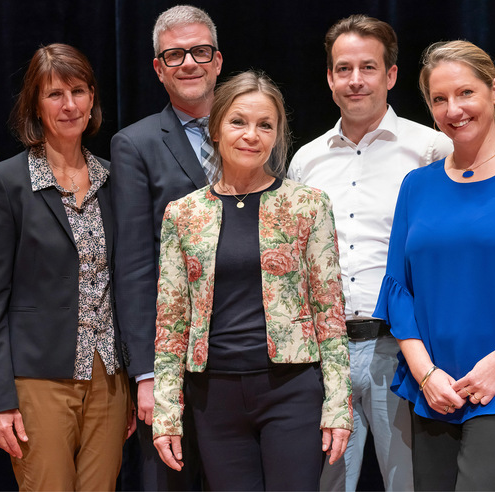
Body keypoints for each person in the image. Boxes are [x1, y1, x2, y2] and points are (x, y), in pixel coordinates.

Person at [373, 40, 495, 491]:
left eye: (465, 93)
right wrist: (426, 375)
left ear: (494, 91)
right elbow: (399, 292)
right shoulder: (416, 185)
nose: (453, 109)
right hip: (435, 393)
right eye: (438, 99)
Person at [152, 70, 353, 491]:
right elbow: (171, 325)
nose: (251, 135)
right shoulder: (183, 214)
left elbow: (329, 315)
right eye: (239, 121)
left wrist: (337, 405)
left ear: (278, 135)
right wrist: (167, 412)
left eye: (266, 125)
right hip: (214, 396)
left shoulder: (307, 205)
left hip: (292, 391)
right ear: (216, 128)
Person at [288, 15, 452, 492]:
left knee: (411, 483)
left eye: (368, 67)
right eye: (343, 68)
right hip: (326, 354)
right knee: (325, 484)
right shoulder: (306, 159)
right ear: (329, 77)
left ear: (391, 75)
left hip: (402, 350)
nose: (355, 80)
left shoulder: (431, 149)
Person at [0, 44, 132, 491]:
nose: (69, 105)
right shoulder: (6, 182)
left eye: (78, 91)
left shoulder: (113, 177)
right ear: (34, 106)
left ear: (92, 99)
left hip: (109, 376)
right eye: (54, 94)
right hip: (37, 379)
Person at [109, 5, 221, 489]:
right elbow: (133, 265)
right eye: (174, 55)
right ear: (158, 68)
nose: (189, 64)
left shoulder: (258, 129)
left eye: (200, 51)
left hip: (249, 353)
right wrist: (147, 375)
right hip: (172, 357)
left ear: (218, 60)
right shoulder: (135, 144)